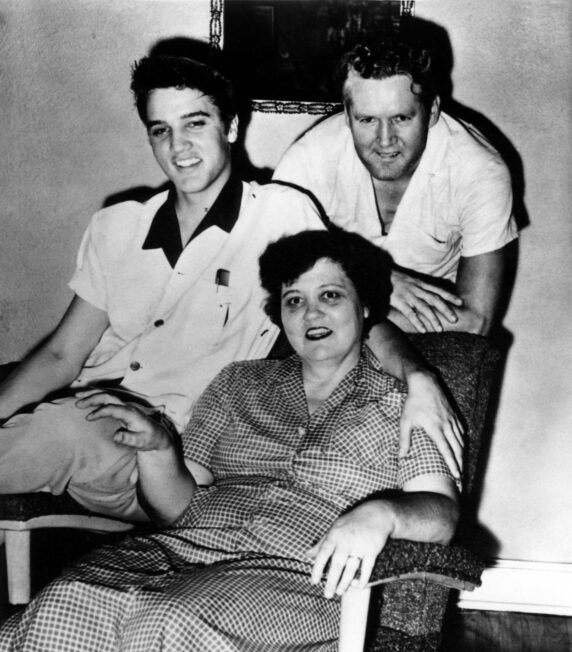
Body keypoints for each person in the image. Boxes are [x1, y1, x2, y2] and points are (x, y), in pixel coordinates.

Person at [0, 52, 464, 515]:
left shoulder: (279, 215)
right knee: (59, 425)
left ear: (232, 127)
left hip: (167, 456)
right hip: (81, 414)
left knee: (63, 430)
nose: (179, 147)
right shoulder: (116, 225)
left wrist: (418, 376)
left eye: (195, 124)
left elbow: (351, 311)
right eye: (162, 130)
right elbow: (62, 354)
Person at [0, 228, 459, 652]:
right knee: (69, 598)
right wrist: (158, 449)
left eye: (331, 296)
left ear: (366, 308)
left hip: (299, 576)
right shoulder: (240, 382)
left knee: (169, 618)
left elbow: (441, 513)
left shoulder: (401, 401)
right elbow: (174, 509)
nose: (310, 314)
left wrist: (381, 515)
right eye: (294, 301)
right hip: (179, 550)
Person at [273, 35, 518, 336]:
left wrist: (359, 305)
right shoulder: (307, 160)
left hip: (433, 332)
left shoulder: (480, 172)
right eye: (367, 120)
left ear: (433, 111)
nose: (385, 140)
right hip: (340, 322)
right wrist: (377, 276)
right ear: (347, 117)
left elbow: (476, 321)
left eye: (401, 118)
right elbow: (275, 284)